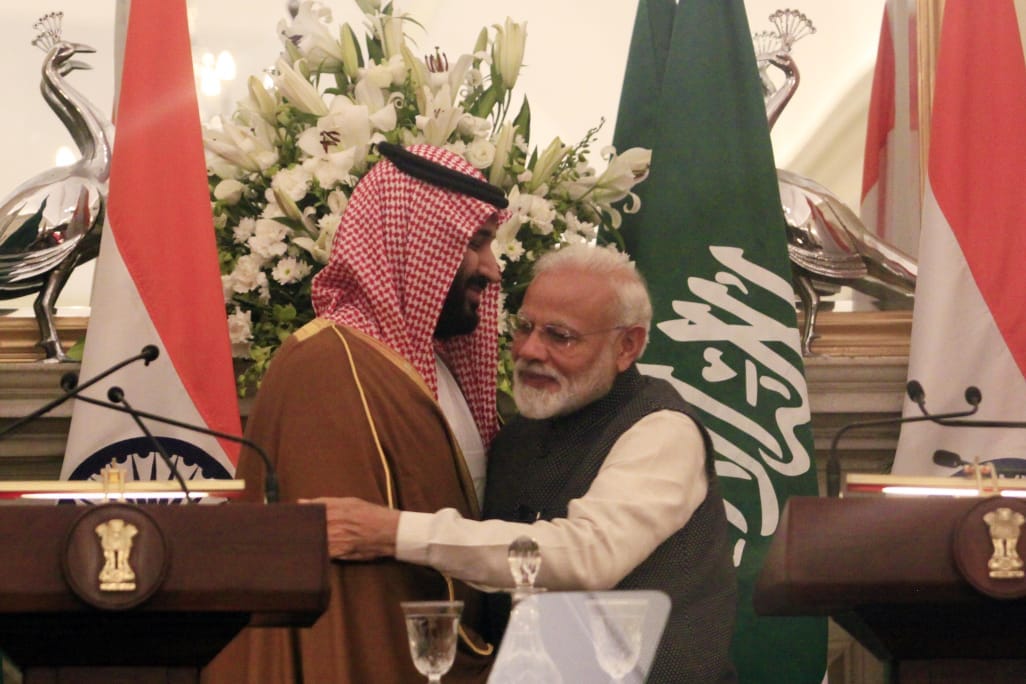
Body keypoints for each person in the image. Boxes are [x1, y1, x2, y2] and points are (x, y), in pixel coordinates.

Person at [324, 244, 739, 683]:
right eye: (524, 327)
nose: (530, 350)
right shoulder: (519, 435)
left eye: (560, 336)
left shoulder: (662, 431)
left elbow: (587, 555)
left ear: (627, 346)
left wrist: (392, 532)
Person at [202, 142, 509, 684]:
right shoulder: (326, 364)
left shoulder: (434, 365)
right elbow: (341, 587)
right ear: (416, 242)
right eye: (476, 243)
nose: (494, 269)